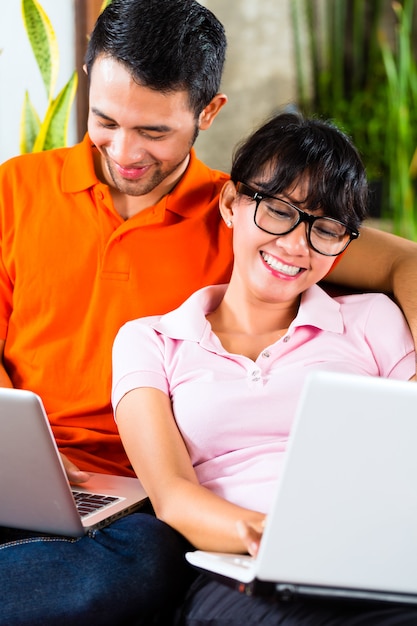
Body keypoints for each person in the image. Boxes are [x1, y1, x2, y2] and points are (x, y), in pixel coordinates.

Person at [0, 0, 417, 623]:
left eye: (155, 132)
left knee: (117, 582)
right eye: (105, 121)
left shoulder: (250, 214)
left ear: (207, 112)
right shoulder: (16, 191)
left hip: (139, 496)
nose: (125, 152)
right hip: (26, 470)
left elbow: (401, 263)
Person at [112, 112, 417, 626]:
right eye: (278, 211)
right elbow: (171, 496)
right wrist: (272, 536)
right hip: (242, 567)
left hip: (379, 554)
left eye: (327, 228)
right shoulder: (150, 340)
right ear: (231, 205)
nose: (296, 245)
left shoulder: (371, 319)